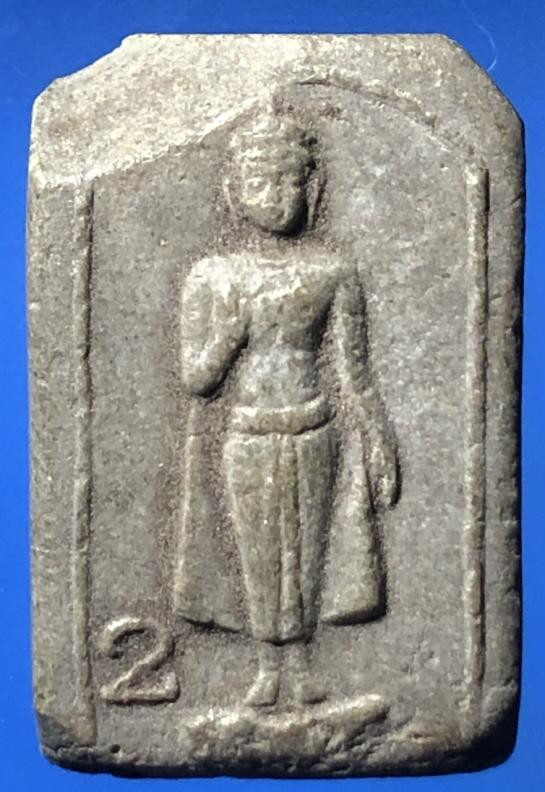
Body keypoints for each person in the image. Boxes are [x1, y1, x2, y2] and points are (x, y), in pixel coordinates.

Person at [175, 110, 398, 707]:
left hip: (313, 426)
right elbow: (197, 380)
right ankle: (265, 669)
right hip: (248, 432)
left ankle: (299, 669)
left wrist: (378, 438)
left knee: (305, 551)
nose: (274, 195)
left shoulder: (332, 273)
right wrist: (229, 336)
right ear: (234, 191)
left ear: (312, 188)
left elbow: (354, 373)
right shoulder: (213, 275)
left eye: (288, 181)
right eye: (259, 182)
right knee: (258, 551)